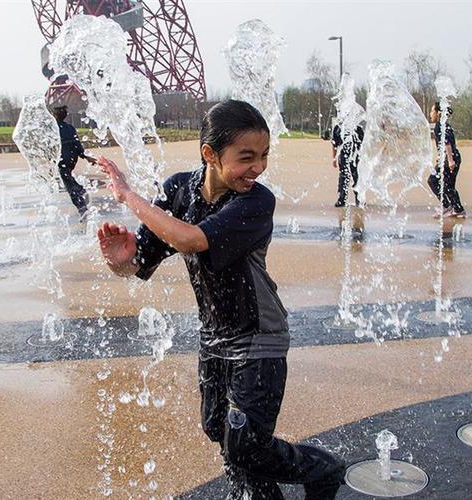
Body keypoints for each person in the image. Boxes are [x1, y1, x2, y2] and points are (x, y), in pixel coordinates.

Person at [97, 100, 345, 499]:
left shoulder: (255, 202)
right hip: (215, 337)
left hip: (258, 337)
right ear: (209, 154)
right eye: (246, 157)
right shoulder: (179, 190)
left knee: (244, 442)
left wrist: (128, 197)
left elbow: (191, 240)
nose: (258, 168)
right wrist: (120, 260)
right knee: (220, 430)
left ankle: (321, 469)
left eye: (263, 156)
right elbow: (140, 262)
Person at [51, 105, 96, 219]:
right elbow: (77, 145)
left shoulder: (53, 129)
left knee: (70, 188)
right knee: (69, 180)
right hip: (71, 160)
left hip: (61, 162)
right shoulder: (70, 128)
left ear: (54, 116)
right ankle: (79, 190)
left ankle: (82, 208)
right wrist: (86, 157)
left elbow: (50, 146)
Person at [427, 102, 466, 218]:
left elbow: (447, 143)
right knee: (449, 185)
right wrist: (440, 156)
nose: (430, 114)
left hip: (450, 158)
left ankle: (446, 205)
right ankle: (457, 209)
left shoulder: (440, 126)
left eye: (432, 111)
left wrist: (450, 160)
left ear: (438, 113)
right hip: (453, 156)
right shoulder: (444, 125)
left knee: (433, 180)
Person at [331, 122, 364, 207]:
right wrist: (334, 159)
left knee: (355, 177)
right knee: (344, 177)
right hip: (344, 157)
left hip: (355, 157)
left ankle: (358, 199)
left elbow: (363, 144)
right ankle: (342, 199)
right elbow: (334, 144)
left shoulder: (357, 128)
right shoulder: (338, 128)